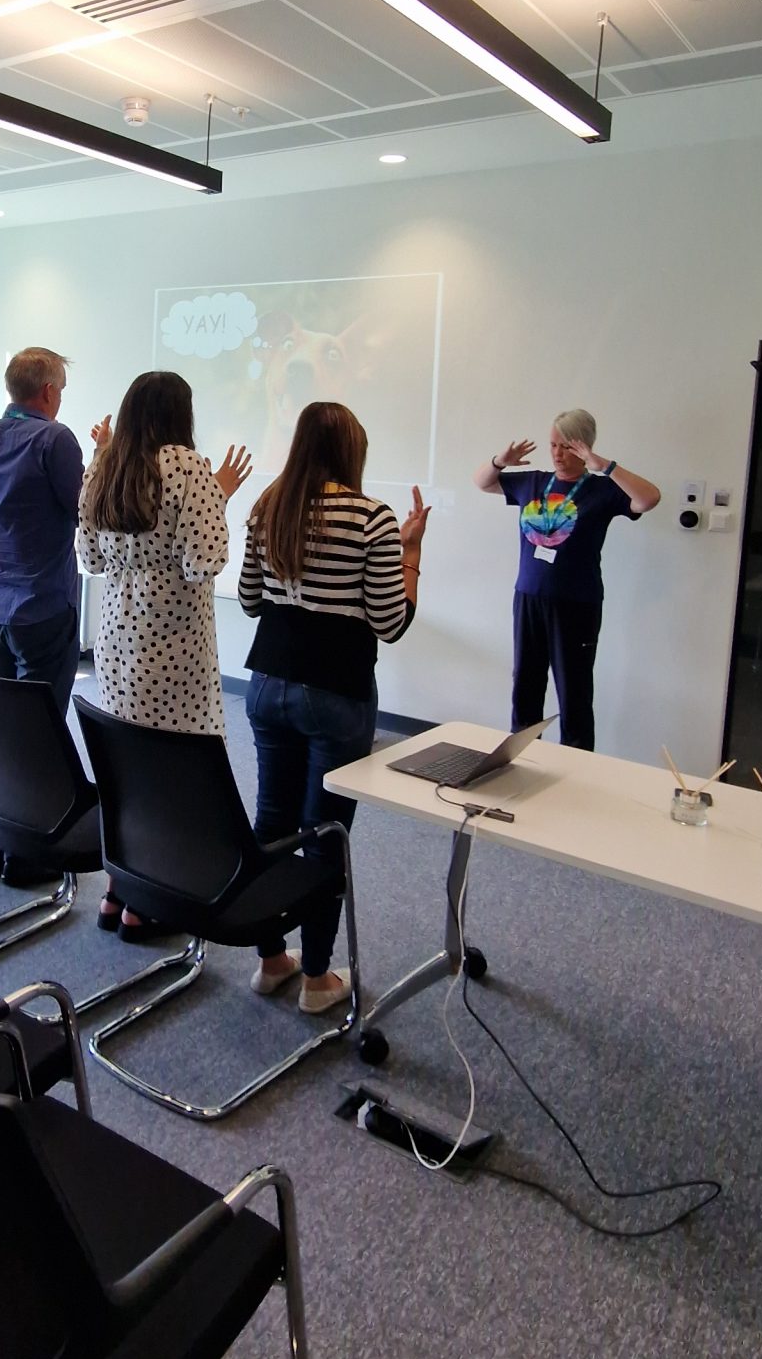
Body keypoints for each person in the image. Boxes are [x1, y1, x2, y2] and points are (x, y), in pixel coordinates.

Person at [240, 402, 429, 1015]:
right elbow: (389, 622)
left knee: (271, 825)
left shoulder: (268, 506)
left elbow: (247, 600)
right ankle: (318, 979)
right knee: (326, 835)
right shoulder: (372, 518)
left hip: (268, 680)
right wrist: (410, 554)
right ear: (352, 452)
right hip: (337, 692)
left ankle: (272, 962)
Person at [77, 370, 251, 937]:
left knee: (129, 763)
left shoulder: (104, 461)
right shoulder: (189, 466)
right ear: (181, 413)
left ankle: (117, 891)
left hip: (117, 633)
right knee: (174, 768)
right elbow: (204, 561)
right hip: (173, 637)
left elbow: (91, 558)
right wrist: (216, 497)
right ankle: (146, 901)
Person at [0, 346, 85, 885]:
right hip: (41, 604)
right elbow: (86, 508)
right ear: (50, 391)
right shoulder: (56, 439)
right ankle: (27, 856)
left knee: (3, 729)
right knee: (39, 733)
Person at [474, 410, 660, 751]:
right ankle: (521, 758)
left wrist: (604, 465)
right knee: (526, 685)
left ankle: (576, 766)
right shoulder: (533, 481)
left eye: (567, 447)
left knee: (573, 691)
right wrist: (501, 460)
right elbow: (483, 482)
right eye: (553, 445)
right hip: (529, 598)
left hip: (577, 603)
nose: (558, 454)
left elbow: (649, 499)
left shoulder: (602, 490)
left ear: (584, 447)